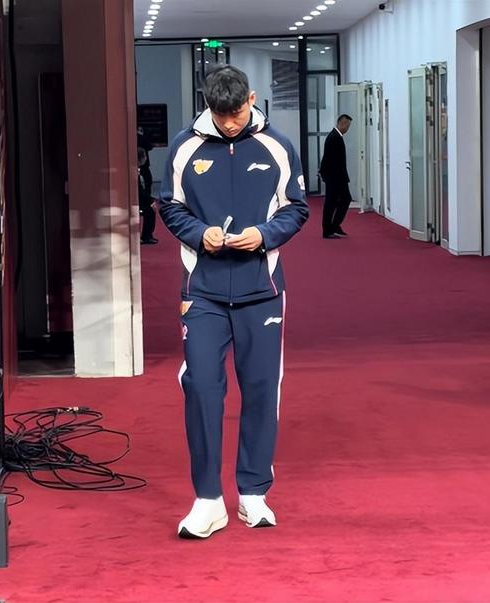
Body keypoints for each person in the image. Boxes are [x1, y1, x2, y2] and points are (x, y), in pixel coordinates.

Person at [159, 65, 308, 539]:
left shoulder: (277, 146)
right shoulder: (185, 147)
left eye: (237, 113)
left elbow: (297, 207)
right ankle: (207, 500)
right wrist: (198, 233)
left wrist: (263, 235)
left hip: (261, 290)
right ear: (208, 105)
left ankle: (253, 493)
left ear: (252, 99)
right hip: (202, 291)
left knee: (261, 388)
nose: (228, 123)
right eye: (221, 114)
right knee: (202, 386)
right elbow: (169, 206)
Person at [319, 114, 353, 238]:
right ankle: (328, 230)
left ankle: (334, 226)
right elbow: (332, 161)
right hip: (335, 177)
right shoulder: (334, 137)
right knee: (332, 203)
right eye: (347, 125)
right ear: (341, 123)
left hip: (336, 177)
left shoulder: (335, 136)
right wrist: (331, 176)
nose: (347, 128)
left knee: (341, 200)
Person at [138, 147, 157, 244]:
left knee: (150, 209)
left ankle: (147, 235)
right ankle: (146, 236)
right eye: (144, 156)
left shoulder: (141, 170)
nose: (146, 158)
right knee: (150, 211)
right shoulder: (135, 172)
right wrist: (150, 201)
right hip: (137, 200)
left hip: (141, 198)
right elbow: (140, 190)